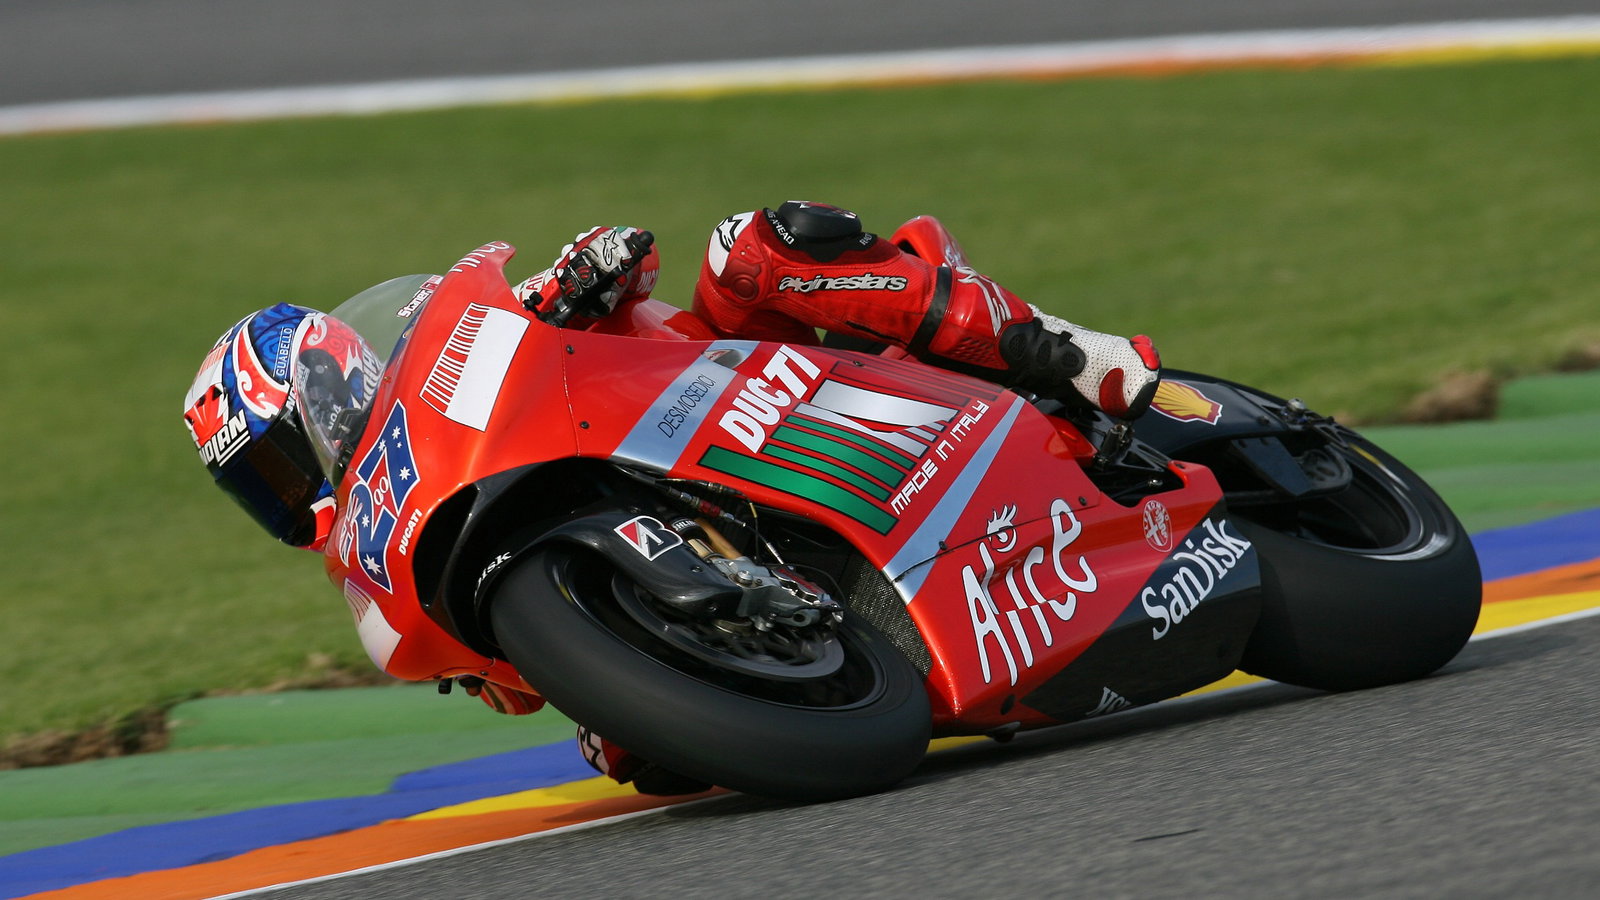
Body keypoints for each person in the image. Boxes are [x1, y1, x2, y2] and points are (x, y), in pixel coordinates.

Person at [182, 201, 1161, 794]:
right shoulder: (388, 546)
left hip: (742, 385)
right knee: (642, 765)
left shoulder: (474, 353)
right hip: (763, 552)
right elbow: (518, 682)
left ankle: (1066, 353)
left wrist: (587, 269)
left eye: (283, 457)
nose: (288, 490)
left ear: (332, 383)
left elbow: (630, 259)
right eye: (261, 487)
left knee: (751, 248)